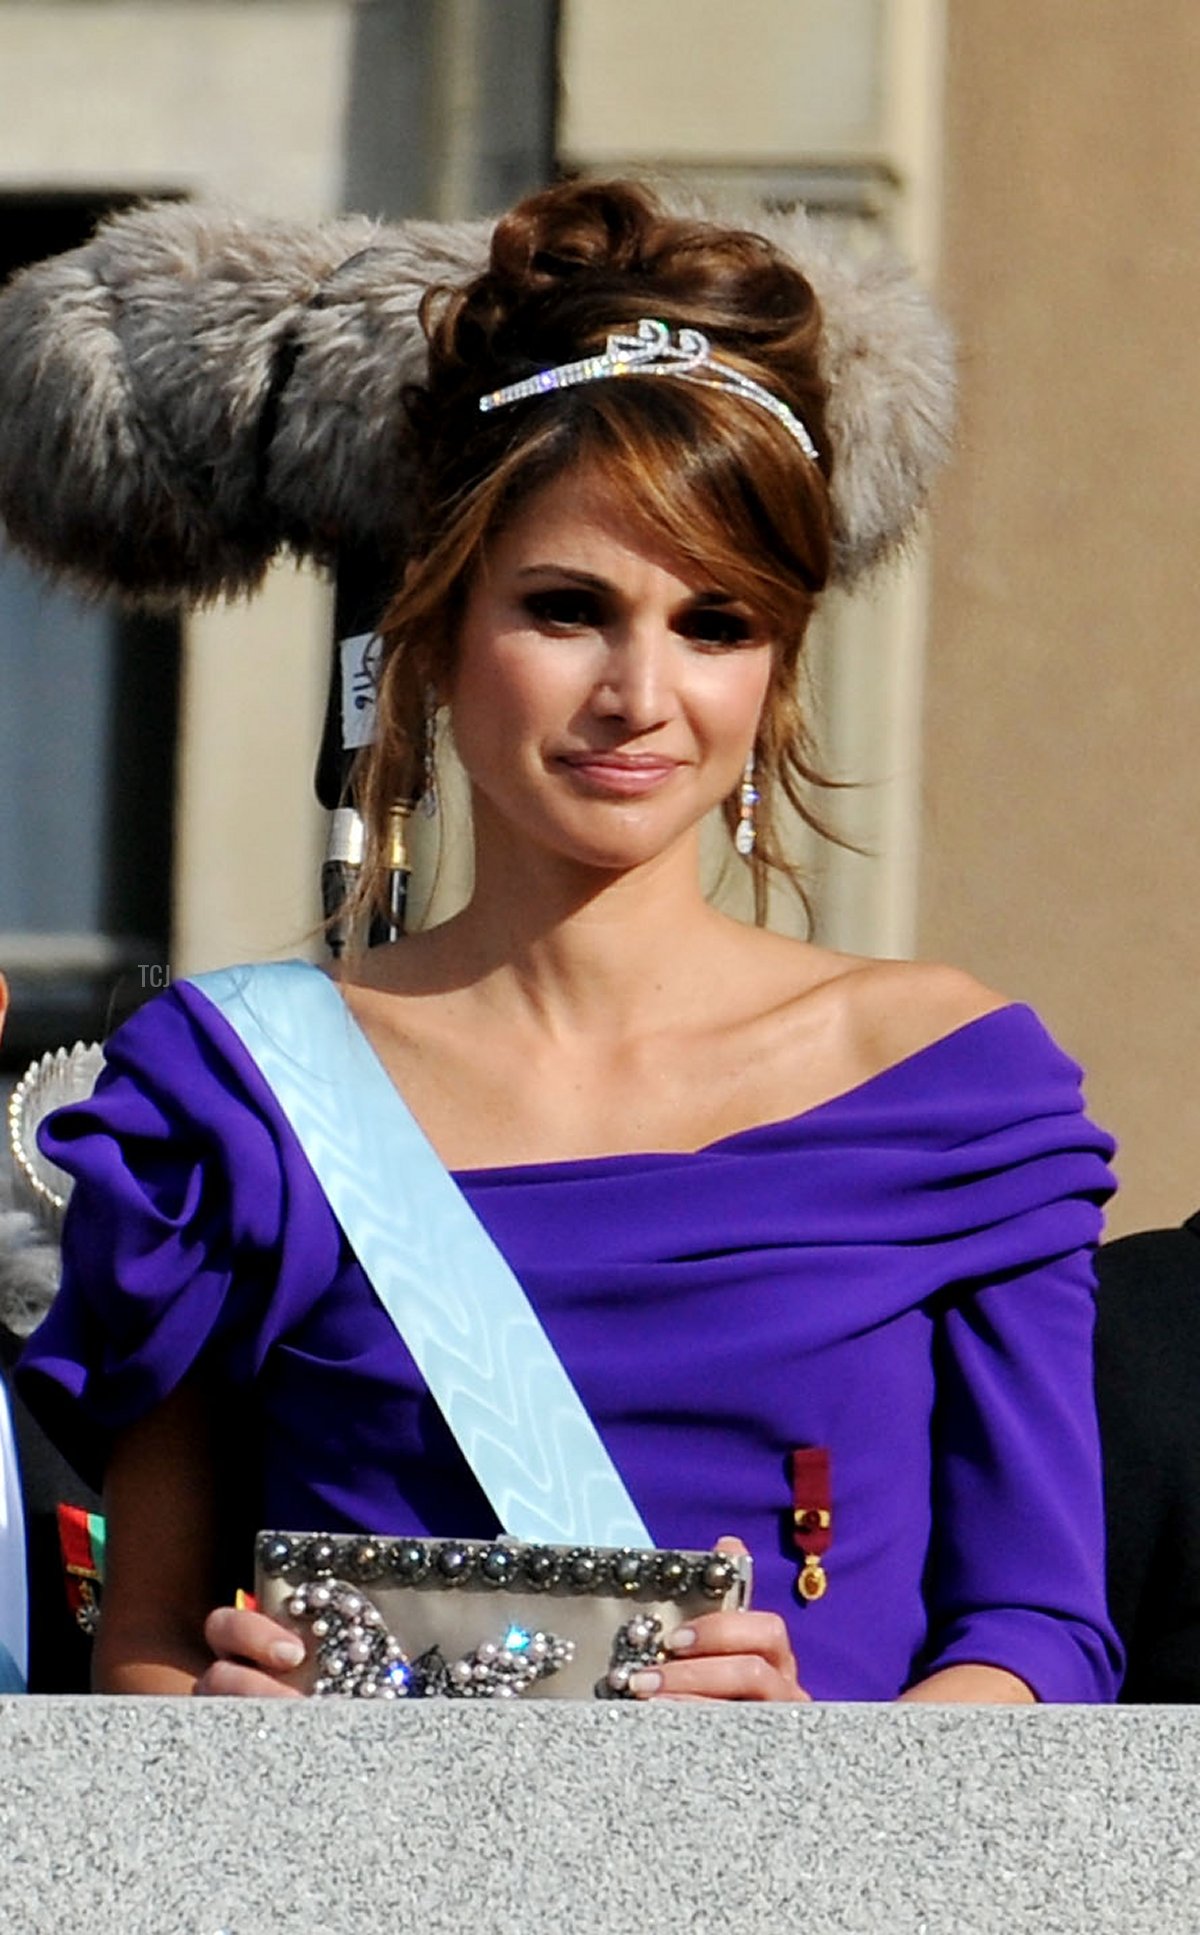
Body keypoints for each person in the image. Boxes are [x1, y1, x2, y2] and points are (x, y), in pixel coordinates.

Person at [17, 179, 1121, 1703]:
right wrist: (214, 1732)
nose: (640, 693)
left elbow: (1042, 1637)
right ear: (434, 627)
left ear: (776, 674)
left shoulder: (949, 1093)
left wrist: (825, 1788)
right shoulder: (235, 1096)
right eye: (566, 607)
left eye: (716, 624)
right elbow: (135, 1650)